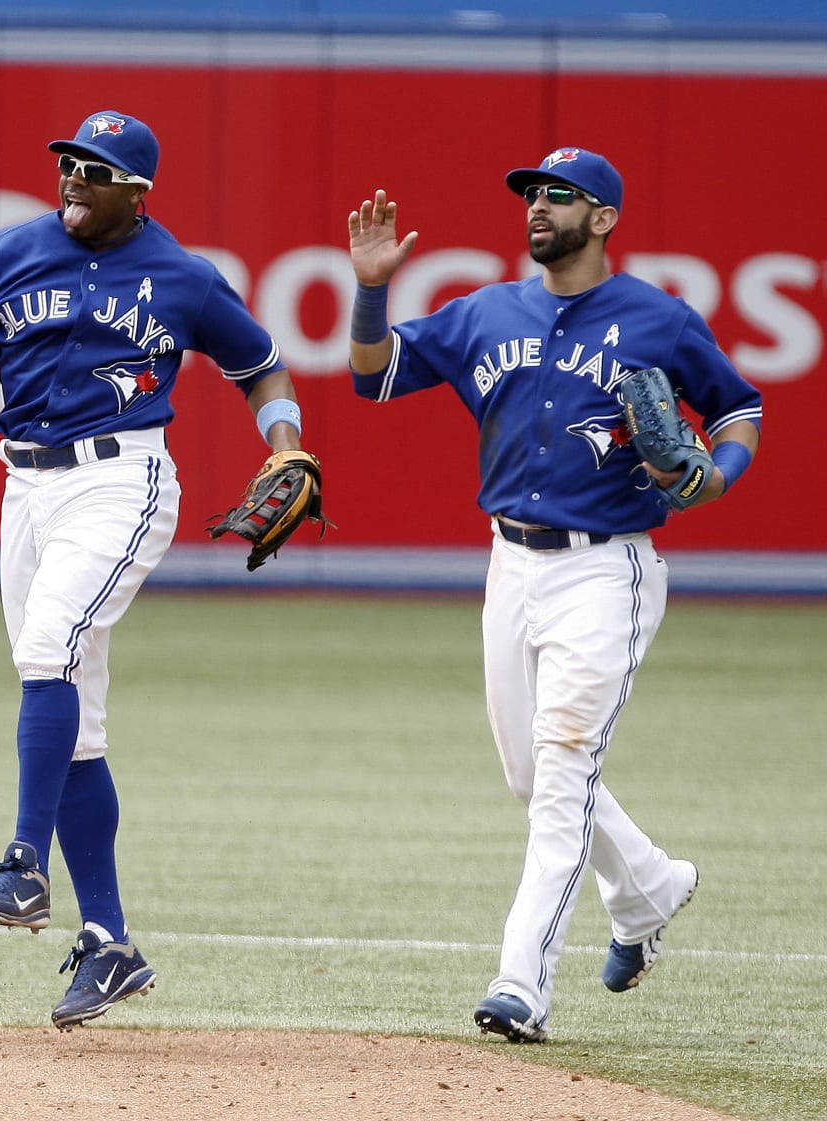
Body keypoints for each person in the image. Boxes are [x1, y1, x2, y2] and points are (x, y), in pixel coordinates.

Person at [0, 110, 312, 1030]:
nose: (75, 178)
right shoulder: (5, 253)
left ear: (139, 191)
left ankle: (21, 864)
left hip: (123, 479)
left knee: (49, 646)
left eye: (98, 169)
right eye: (70, 163)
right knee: (73, 718)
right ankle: (112, 943)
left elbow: (264, 368)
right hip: (28, 490)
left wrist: (285, 445)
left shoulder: (184, 276)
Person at [346, 147, 762, 1043]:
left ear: (603, 217)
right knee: (531, 774)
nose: (538, 205)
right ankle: (650, 886)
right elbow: (373, 376)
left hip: (606, 568)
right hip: (511, 563)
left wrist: (716, 479)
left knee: (562, 772)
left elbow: (736, 411)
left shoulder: (658, 319)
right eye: (532, 193)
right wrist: (374, 288)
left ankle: (520, 985)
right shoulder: (489, 311)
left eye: (559, 195)